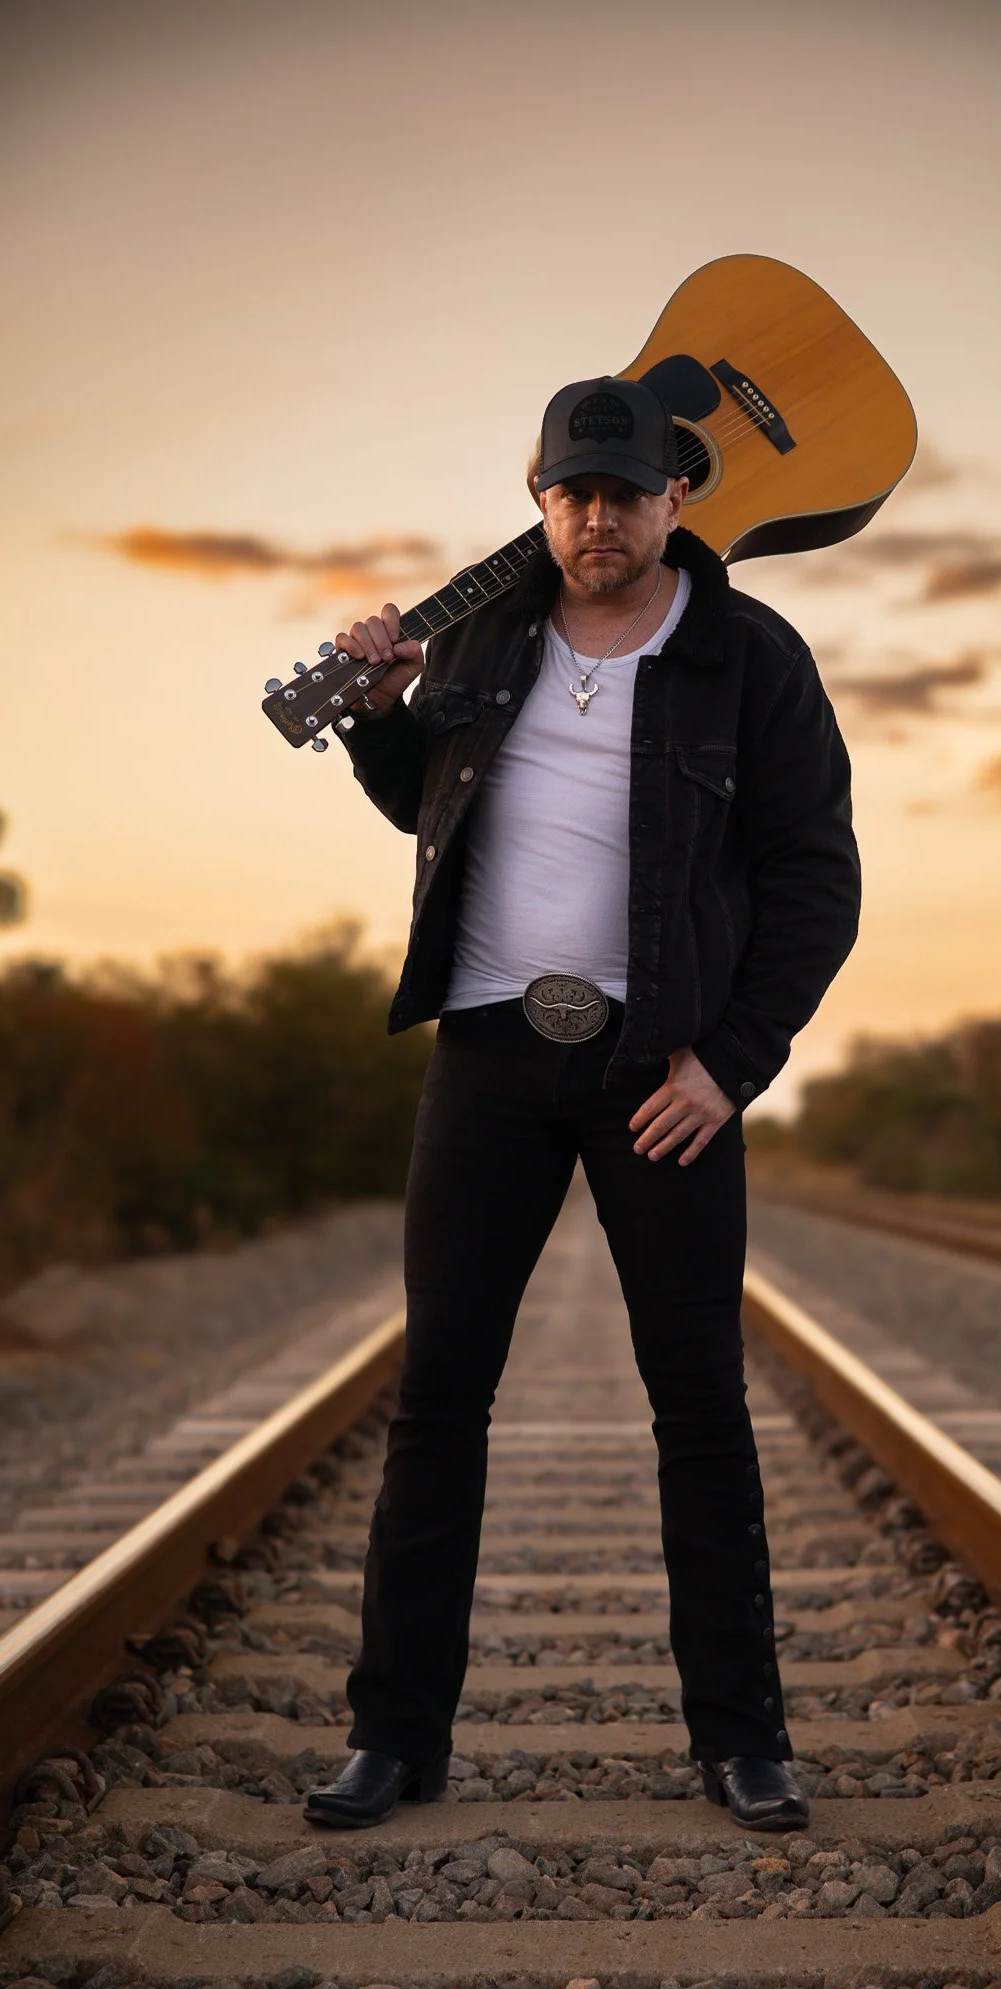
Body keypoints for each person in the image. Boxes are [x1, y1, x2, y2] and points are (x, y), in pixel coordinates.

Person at [303, 375, 860, 1832]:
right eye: (575, 495)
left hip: (661, 1071)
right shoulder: (485, 635)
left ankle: (743, 1740)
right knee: (439, 1396)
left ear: (677, 500)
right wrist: (376, 719)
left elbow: (818, 880)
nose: (600, 518)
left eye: (625, 495)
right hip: (489, 1052)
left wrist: (732, 1063)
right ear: (541, 502)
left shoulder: (749, 655)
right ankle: (394, 1739)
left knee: (700, 1404)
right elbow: (431, 800)